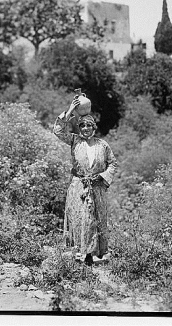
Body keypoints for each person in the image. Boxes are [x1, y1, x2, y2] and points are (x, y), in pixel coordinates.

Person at [53, 96, 118, 266]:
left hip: (97, 188)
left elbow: (113, 163)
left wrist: (102, 177)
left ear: (94, 127)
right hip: (78, 186)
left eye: (89, 125)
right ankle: (79, 253)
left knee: (95, 219)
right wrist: (69, 112)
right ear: (79, 127)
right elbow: (58, 131)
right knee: (79, 218)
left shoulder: (102, 145)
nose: (86, 128)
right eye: (82, 125)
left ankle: (94, 253)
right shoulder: (74, 140)